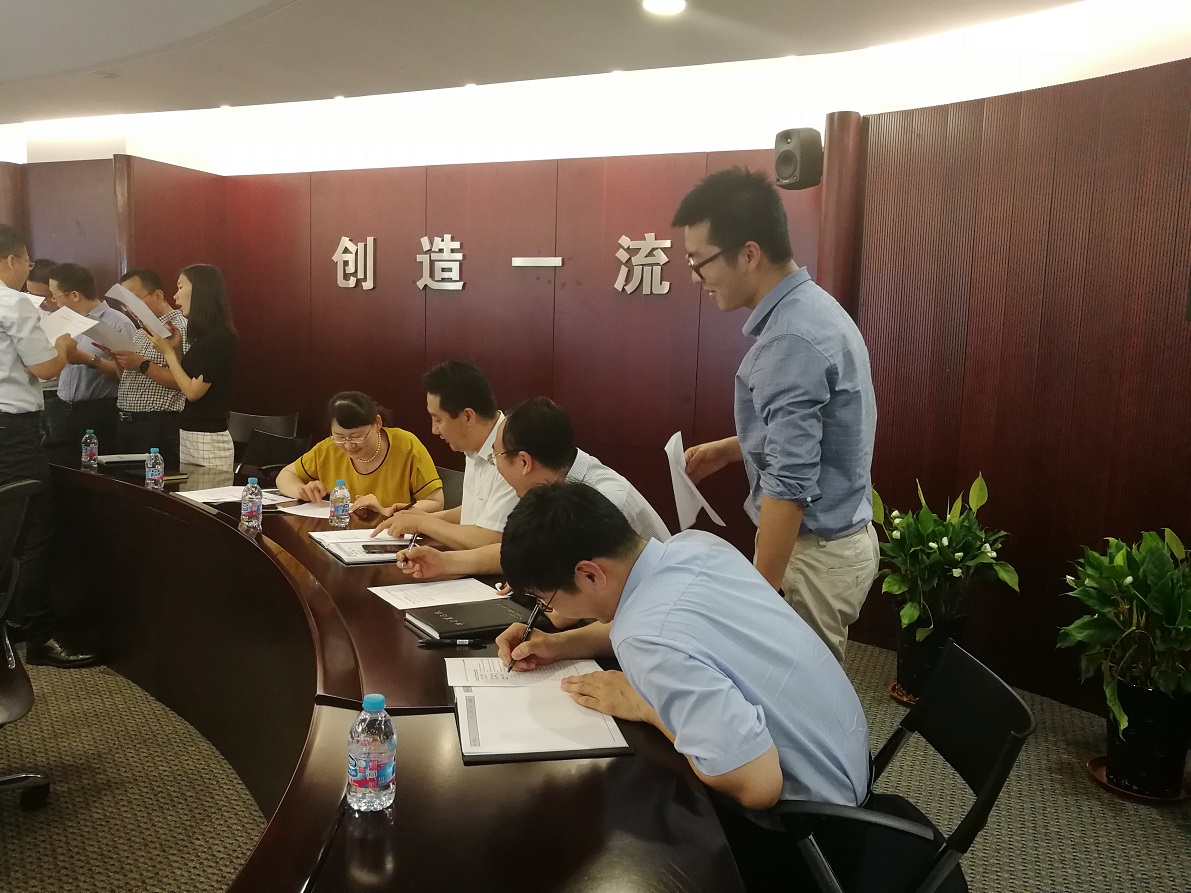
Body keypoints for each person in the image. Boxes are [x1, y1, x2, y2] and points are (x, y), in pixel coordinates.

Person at [495, 482, 870, 888]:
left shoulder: (644, 638)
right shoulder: (694, 546)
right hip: (846, 762)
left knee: (634, 822)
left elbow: (757, 785)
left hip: (815, 836)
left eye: (547, 601)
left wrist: (643, 706)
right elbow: (660, 624)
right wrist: (558, 644)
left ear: (589, 573)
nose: (551, 611)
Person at [673, 167, 878, 661]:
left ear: (749, 253)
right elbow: (813, 431)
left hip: (811, 554)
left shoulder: (789, 340)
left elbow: (790, 485)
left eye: (700, 262)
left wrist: (757, 596)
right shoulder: (812, 309)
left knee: (791, 692)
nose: (696, 278)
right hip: (837, 542)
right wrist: (733, 449)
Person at [396, 396, 669, 578]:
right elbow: (525, 551)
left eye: (496, 457)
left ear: (524, 462)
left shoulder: (597, 502)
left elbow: (576, 604)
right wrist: (445, 562)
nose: (495, 466)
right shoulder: (559, 480)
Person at [0, 225, 97, 667]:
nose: (27, 270)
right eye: (27, 262)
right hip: (13, 432)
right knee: (35, 527)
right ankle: (39, 634)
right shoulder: (14, 302)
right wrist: (61, 345)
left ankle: (14, 621)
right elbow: (44, 369)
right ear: (12, 260)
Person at [372, 360, 517, 550]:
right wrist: (416, 518)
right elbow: (477, 512)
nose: (434, 430)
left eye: (438, 420)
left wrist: (423, 523)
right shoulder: (474, 446)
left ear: (467, 417)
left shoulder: (511, 453)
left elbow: (493, 539)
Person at [276, 391, 444, 515]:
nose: (348, 446)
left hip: (393, 535)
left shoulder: (406, 446)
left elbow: (435, 502)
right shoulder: (328, 448)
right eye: (340, 437)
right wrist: (302, 491)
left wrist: (386, 511)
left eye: (357, 436)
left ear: (377, 423)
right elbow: (286, 475)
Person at [142, 264, 238, 471]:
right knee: (188, 489)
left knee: (208, 491)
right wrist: (176, 349)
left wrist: (167, 353)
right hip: (190, 431)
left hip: (209, 437)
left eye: (180, 287)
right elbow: (187, 376)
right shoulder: (203, 336)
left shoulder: (219, 337)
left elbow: (193, 392)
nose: (175, 296)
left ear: (201, 290)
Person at [48, 262, 136, 451]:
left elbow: (132, 376)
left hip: (100, 412)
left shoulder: (118, 323)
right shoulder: (62, 322)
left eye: (56, 296)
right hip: (62, 409)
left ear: (74, 295)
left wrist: (88, 359)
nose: (55, 303)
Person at [105, 268, 188, 468]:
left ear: (158, 295)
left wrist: (142, 364)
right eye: (125, 305)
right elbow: (127, 378)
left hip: (157, 424)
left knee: (154, 483)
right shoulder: (143, 329)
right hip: (127, 420)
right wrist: (119, 359)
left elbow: (184, 382)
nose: (130, 309)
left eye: (134, 301)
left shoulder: (180, 328)